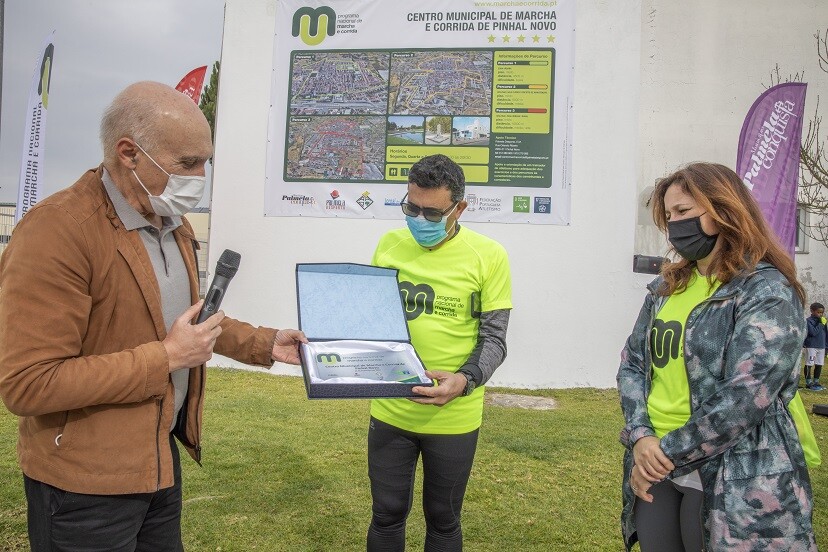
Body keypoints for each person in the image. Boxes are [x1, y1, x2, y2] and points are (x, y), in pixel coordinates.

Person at [0, 81, 307, 552]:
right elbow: (29, 383)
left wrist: (264, 343)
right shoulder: (58, 231)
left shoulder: (170, 222)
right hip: (83, 486)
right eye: (188, 163)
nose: (200, 177)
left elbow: (186, 320)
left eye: (206, 162)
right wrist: (165, 358)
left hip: (158, 464)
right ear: (129, 153)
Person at [617, 162, 816, 551]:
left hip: (733, 470)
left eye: (684, 211)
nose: (675, 224)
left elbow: (746, 395)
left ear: (724, 210)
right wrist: (641, 436)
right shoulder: (666, 287)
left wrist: (664, 453)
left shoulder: (766, 290)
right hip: (656, 461)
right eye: (669, 215)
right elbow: (633, 365)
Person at [367, 154, 512, 551]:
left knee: (443, 520)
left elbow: (495, 339)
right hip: (390, 410)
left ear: (459, 209)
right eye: (411, 208)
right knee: (386, 513)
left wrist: (464, 381)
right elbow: (371, 321)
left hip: (454, 416)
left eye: (432, 213)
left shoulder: (489, 256)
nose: (419, 219)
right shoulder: (389, 245)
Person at [803, 302, 828, 390]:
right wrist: (820, 324)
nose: (820, 314)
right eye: (818, 312)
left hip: (821, 346)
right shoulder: (808, 321)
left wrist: (826, 346)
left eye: (822, 312)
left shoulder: (823, 321)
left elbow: (825, 334)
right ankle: (808, 382)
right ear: (812, 311)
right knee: (809, 364)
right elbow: (813, 332)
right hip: (812, 346)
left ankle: (816, 382)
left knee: (819, 364)